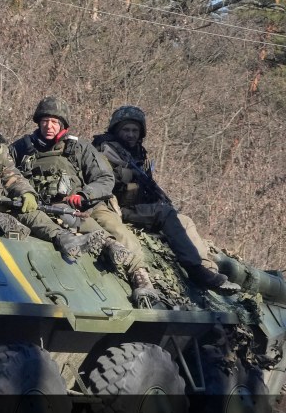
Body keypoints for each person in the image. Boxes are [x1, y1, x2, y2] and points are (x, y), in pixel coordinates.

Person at [11, 96, 159, 305]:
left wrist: (84, 195)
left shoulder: (79, 147)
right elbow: (4, 169)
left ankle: (140, 278)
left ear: (62, 124)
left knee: (121, 232)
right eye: (45, 121)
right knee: (83, 223)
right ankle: (107, 244)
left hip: (91, 203)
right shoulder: (22, 147)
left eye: (54, 122)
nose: (49, 126)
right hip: (56, 207)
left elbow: (105, 178)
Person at [92, 106, 238, 292]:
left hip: (137, 207)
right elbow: (102, 182)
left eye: (135, 130)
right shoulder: (104, 150)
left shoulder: (137, 153)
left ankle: (206, 268)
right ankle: (195, 269)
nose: (130, 135)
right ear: (116, 130)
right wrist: (126, 177)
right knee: (165, 213)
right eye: (126, 130)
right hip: (117, 209)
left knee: (184, 220)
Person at [0, 97, 93, 260]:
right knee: (11, 226)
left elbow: (12, 175)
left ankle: (63, 238)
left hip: (1, 202)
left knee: (31, 212)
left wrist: (27, 193)